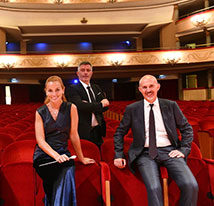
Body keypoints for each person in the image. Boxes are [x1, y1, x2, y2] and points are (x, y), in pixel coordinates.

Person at [113, 75, 198, 206]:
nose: (148, 90)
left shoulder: (171, 105)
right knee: (154, 188)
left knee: (190, 185)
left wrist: (183, 150)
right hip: (145, 154)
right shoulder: (132, 109)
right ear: (140, 89)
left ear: (158, 86)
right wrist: (118, 155)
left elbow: (187, 129)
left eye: (151, 86)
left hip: (170, 151)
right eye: (145, 87)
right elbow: (119, 133)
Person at [33, 75, 95, 206]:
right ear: (46, 91)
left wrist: (81, 157)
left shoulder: (71, 108)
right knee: (64, 166)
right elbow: (40, 141)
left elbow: (73, 135)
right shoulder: (40, 112)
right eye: (50, 90)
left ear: (63, 90)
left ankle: (53, 202)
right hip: (44, 156)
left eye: (57, 90)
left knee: (68, 168)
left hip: (62, 151)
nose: (54, 94)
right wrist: (57, 156)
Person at [65, 61, 110, 148]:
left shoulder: (96, 87)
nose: (85, 72)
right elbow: (80, 106)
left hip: (98, 129)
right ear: (78, 73)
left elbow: (106, 107)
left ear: (91, 73)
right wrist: (100, 104)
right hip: (82, 130)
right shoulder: (72, 89)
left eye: (88, 70)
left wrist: (89, 106)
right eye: (82, 70)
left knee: (99, 155)